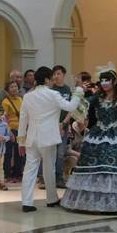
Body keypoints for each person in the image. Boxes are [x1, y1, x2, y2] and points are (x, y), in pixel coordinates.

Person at [62, 66, 117, 214]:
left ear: (114, 81)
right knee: (94, 165)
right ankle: (94, 202)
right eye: (102, 80)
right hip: (98, 134)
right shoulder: (97, 98)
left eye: (107, 80)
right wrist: (79, 97)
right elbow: (83, 109)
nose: (104, 83)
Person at [17, 66, 83, 212]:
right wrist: (78, 90)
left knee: (29, 170)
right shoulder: (53, 95)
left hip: (32, 137)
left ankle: (27, 202)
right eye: (52, 78)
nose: (54, 81)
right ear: (46, 79)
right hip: (48, 138)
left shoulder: (28, 96)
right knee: (49, 168)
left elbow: (23, 120)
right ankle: (51, 198)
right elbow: (71, 106)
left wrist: (21, 141)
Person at [51, 65, 72, 189]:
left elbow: (70, 109)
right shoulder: (51, 90)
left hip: (63, 126)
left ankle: (59, 177)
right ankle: (46, 177)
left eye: (58, 73)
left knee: (60, 153)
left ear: (63, 75)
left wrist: (64, 123)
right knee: (50, 153)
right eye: (54, 74)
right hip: (52, 126)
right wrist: (56, 124)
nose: (56, 76)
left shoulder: (67, 89)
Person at [1, 79, 24, 182]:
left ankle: (18, 173)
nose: (14, 88)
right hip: (11, 129)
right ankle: (7, 174)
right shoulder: (5, 102)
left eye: (15, 86)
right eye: (11, 87)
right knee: (9, 153)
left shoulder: (20, 99)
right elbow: (4, 118)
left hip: (21, 129)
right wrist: (9, 131)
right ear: (7, 90)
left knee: (20, 153)